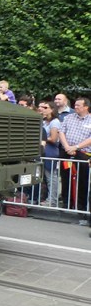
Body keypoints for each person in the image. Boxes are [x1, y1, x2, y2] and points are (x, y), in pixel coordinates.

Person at [58, 97, 91, 226]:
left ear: (86, 107)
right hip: (67, 152)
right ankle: (66, 204)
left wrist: (76, 147)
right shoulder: (69, 117)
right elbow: (62, 132)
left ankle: (82, 207)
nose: (75, 107)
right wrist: (67, 147)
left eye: (78, 105)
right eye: (75, 105)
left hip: (83, 153)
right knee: (65, 178)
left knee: (82, 181)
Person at [38, 100, 61, 207]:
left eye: (46, 107)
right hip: (43, 151)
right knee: (43, 177)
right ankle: (45, 198)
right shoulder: (44, 121)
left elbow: (54, 138)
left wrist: (42, 139)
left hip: (50, 152)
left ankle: (52, 200)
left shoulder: (54, 122)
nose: (43, 109)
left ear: (52, 110)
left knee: (51, 177)